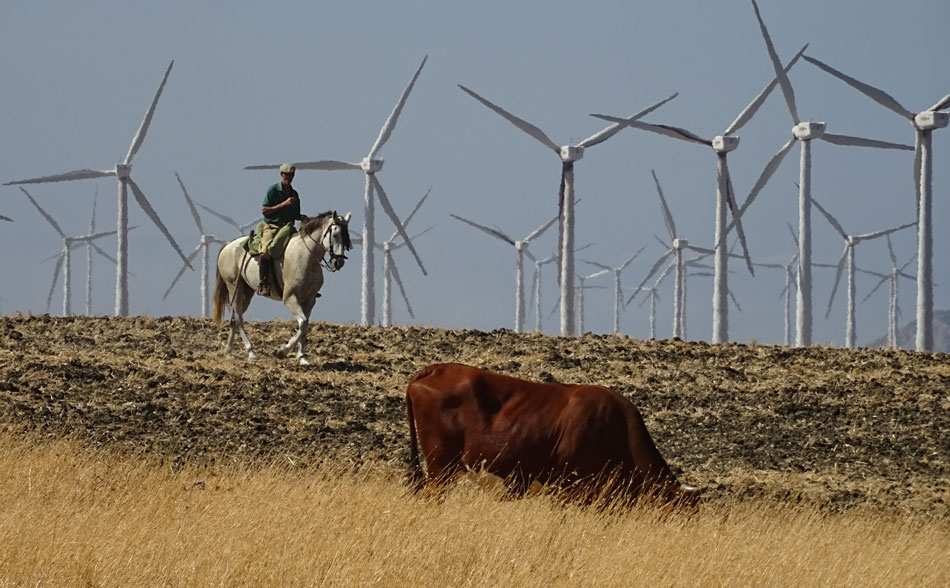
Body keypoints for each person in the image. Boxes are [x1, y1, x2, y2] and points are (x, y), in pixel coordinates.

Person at [257, 163, 307, 296]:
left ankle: (306, 283)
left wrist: (301, 217)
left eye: (291, 175)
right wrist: (283, 204)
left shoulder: (294, 194)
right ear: (281, 175)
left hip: (288, 228)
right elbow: (265, 211)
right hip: (272, 226)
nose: (288, 177)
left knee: (302, 249)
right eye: (286, 175)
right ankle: (263, 282)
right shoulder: (273, 190)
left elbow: (295, 214)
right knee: (266, 250)